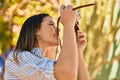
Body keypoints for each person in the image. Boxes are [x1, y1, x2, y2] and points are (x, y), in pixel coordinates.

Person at [4, 5, 90, 80]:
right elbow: (66, 73)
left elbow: (66, 73)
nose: (58, 29)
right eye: (51, 24)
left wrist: (78, 50)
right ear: (36, 30)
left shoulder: (43, 65)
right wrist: (68, 24)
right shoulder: (18, 58)